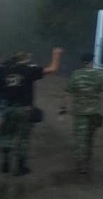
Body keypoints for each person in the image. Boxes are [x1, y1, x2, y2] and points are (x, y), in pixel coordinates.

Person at [0, 47, 63, 175]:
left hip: (7, 109)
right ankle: (20, 167)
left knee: (6, 136)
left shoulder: (3, 71)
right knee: (22, 138)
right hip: (24, 109)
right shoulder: (29, 70)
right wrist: (56, 55)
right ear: (25, 60)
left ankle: (5, 163)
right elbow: (53, 69)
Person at [59, 52, 103, 174]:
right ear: (92, 61)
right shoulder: (100, 74)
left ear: (82, 62)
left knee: (79, 137)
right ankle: (87, 160)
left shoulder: (75, 75)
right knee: (90, 137)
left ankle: (80, 162)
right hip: (95, 113)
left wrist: (63, 108)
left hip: (80, 112)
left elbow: (67, 93)